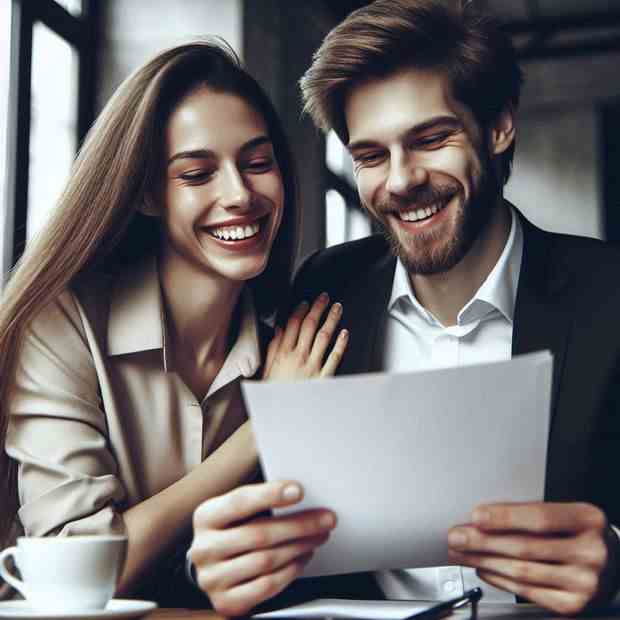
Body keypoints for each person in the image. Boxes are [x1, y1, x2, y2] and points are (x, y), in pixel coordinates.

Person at [189, 1, 620, 616]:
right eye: (370, 156)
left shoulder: (609, 293)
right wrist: (213, 562)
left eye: (430, 139)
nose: (399, 181)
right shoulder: (325, 289)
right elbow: (268, 520)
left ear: (498, 127)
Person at [0, 40, 348, 605]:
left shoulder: (293, 344)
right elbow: (78, 577)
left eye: (258, 163)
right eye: (196, 173)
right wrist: (262, 429)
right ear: (146, 194)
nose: (239, 194)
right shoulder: (61, 324)